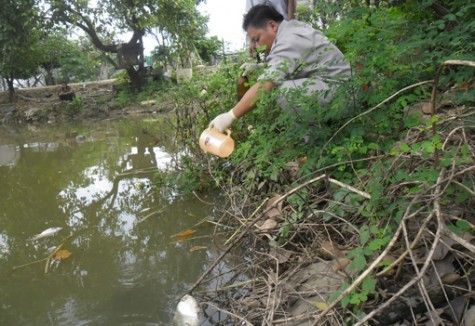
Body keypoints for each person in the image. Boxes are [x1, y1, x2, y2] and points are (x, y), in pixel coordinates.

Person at [209, 4, 351, 132]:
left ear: (272, 26)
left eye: (257, 39)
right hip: (339, 88)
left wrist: (230, 115)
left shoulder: (288, 40)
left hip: (344, 95)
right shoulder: (291, 28)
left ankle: (318, 143)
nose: (257, 47)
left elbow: (266, 83)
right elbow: (288, 63)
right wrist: (260, 66)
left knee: (284, 92)